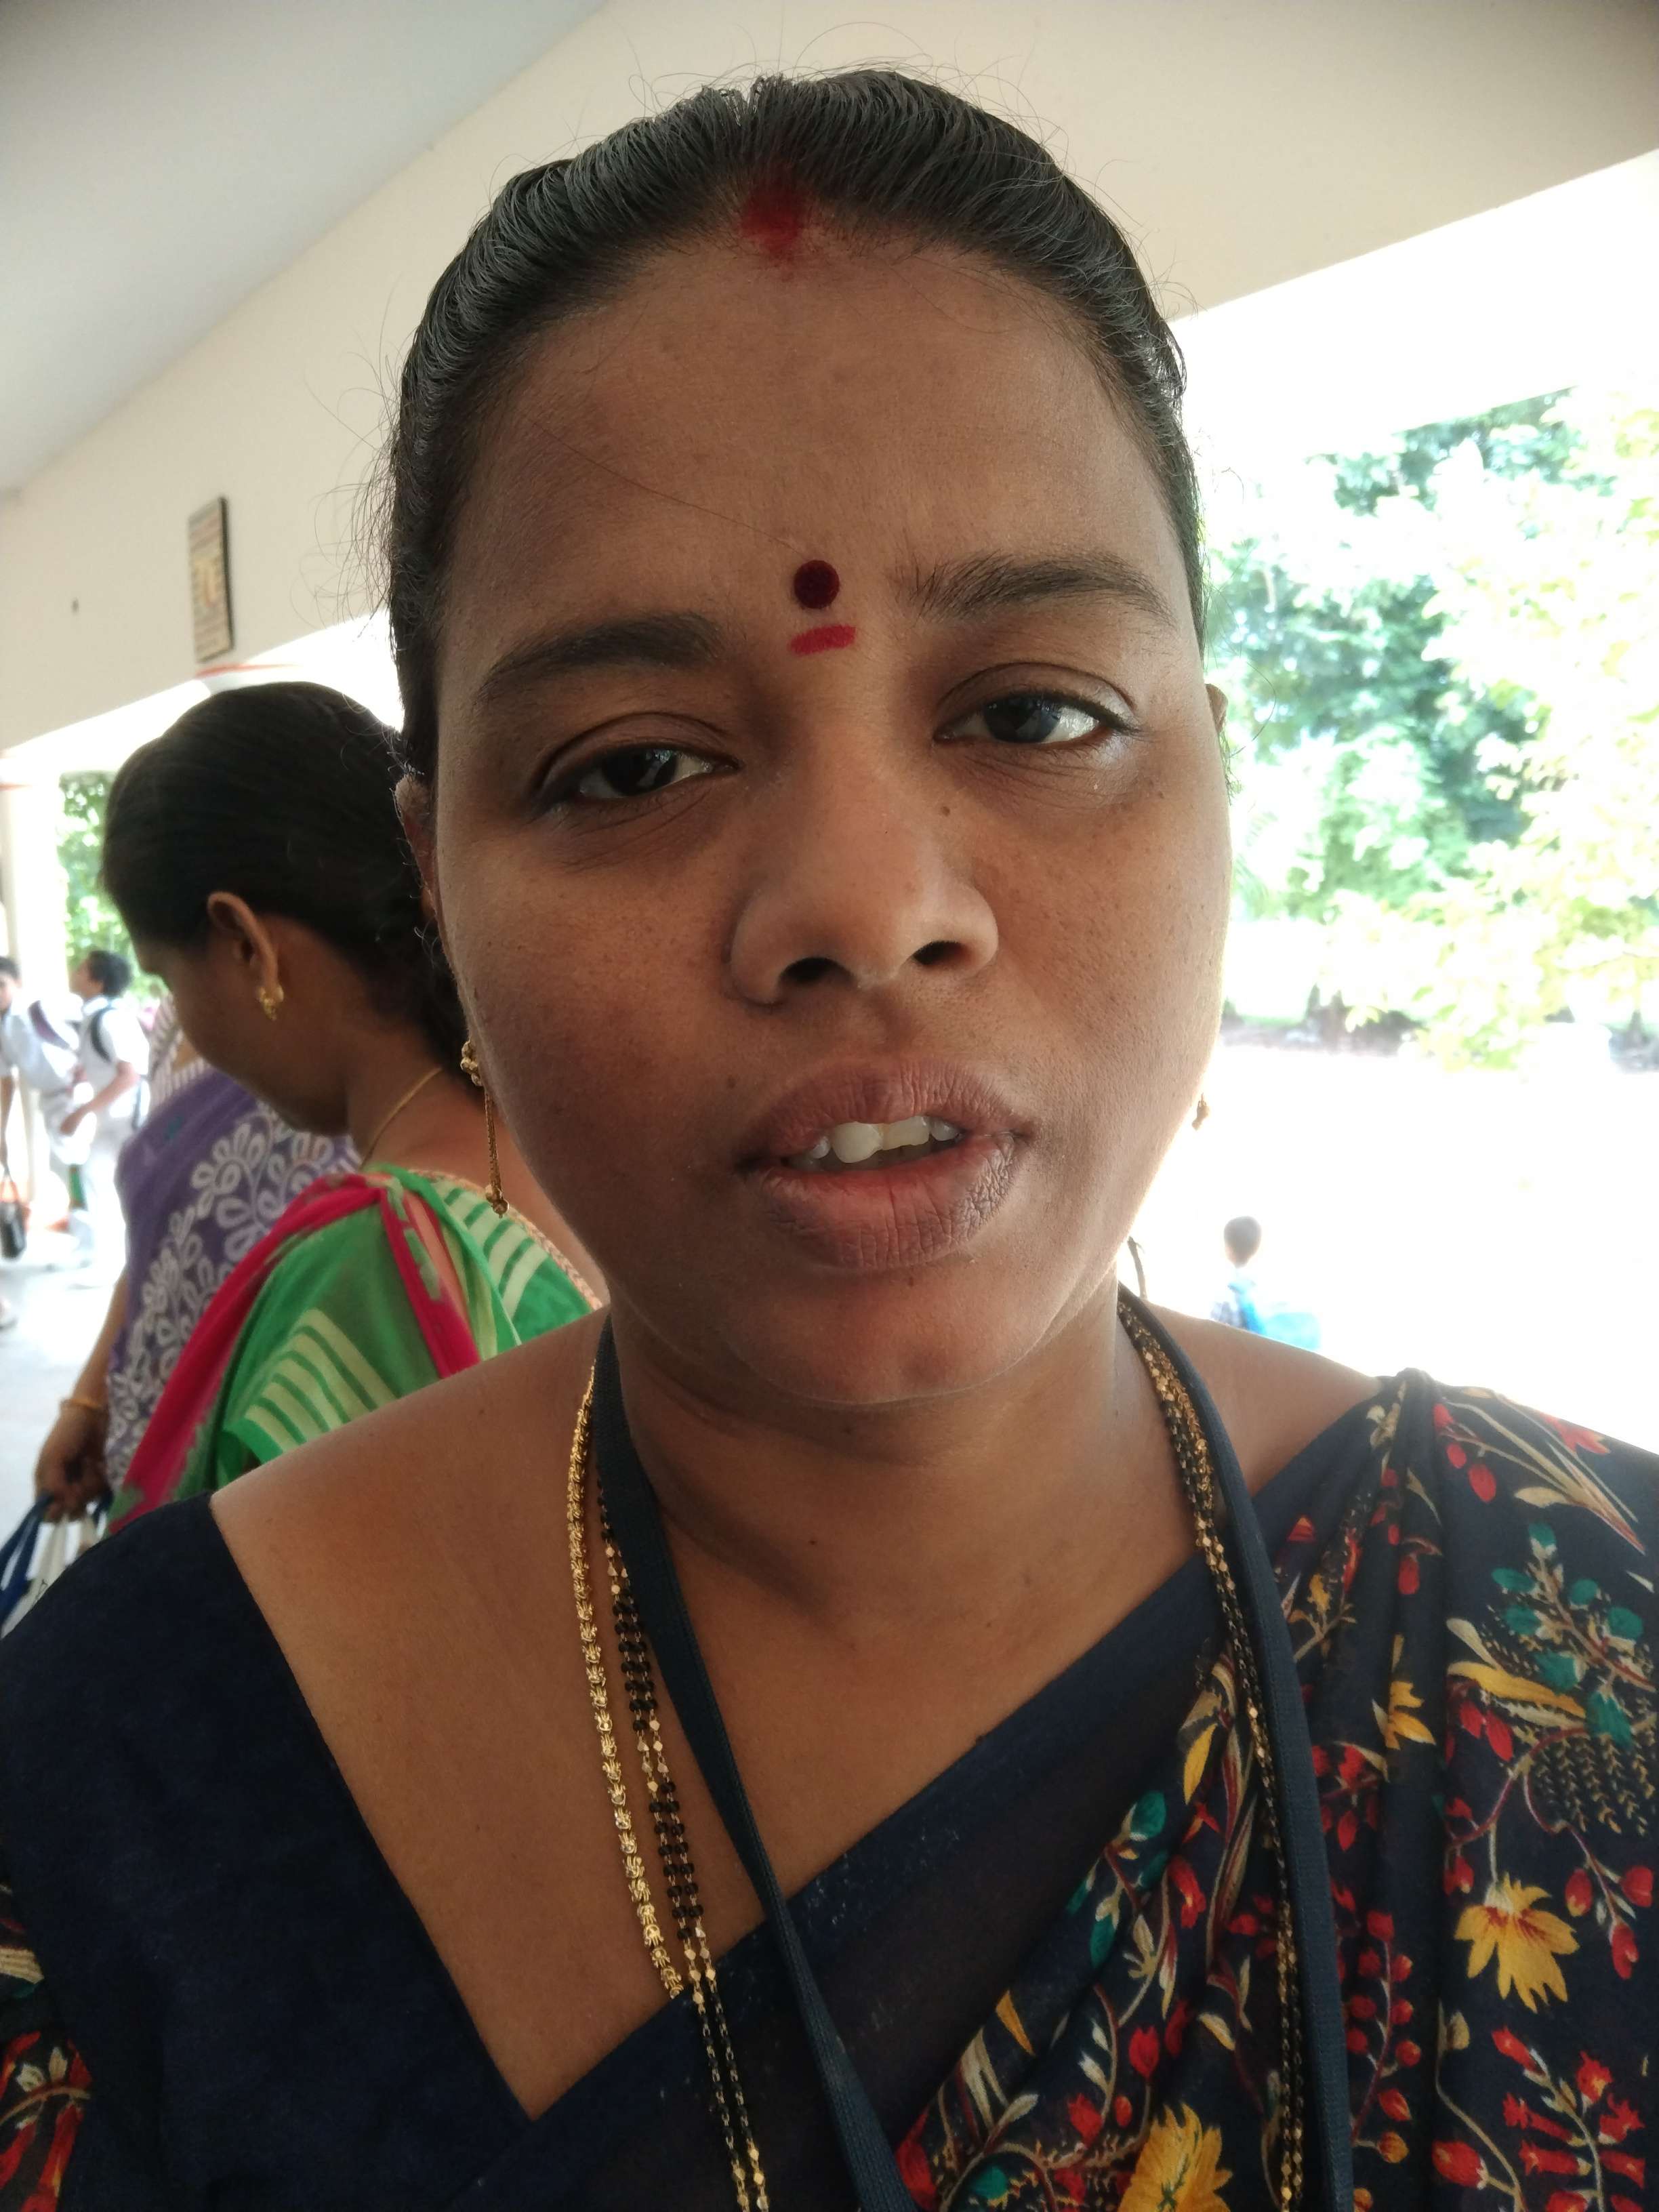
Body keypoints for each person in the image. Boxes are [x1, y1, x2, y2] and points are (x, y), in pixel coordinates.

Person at [0, 74, 1650, 2210]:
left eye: (1037, 713)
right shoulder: (111, 1798)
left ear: (1220, 783)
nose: (869, 904)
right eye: (630, 765)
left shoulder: (1576, 1632)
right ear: (438, 888)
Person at [78, 679, 599, 1528]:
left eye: (170, 977)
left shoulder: (363, 1269)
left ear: (247, 944)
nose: (185, 1019)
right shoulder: (581, 1145)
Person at [30, 996, 354, 1523]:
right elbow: (158, 1245)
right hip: (142, 1431)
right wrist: (89, 1401)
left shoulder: (352, 1030)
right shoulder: (176, 1023)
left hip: (274, 1469)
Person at [56, 947, 148, 1264]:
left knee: (116, 1183)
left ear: (97, 982)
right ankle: (105, 1257)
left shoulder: (110, 1019)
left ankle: (118, 1259)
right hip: (114, 1118)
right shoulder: (96, 1017)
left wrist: (83, 1113)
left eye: (82, 969)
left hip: (129, 1118)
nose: (75, 973)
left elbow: (129, 1075)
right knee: (95, 1177)